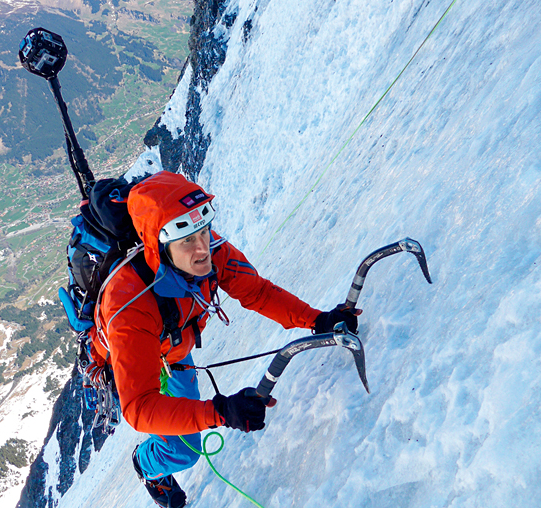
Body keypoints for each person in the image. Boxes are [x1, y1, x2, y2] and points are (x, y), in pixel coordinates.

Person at [89, 171, 360, 508]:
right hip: (136, 356)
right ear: (159, 244)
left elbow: (256, 291)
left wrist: (318, 319)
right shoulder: (129, 303)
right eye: (187, 239)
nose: (202, 248)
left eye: (202, 230)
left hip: (174, 351)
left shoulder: (208, 251)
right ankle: (146, 464)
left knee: (185, 446)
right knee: (185, 453)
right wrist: (220, 412)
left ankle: (159, 458)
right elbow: (139, 407)